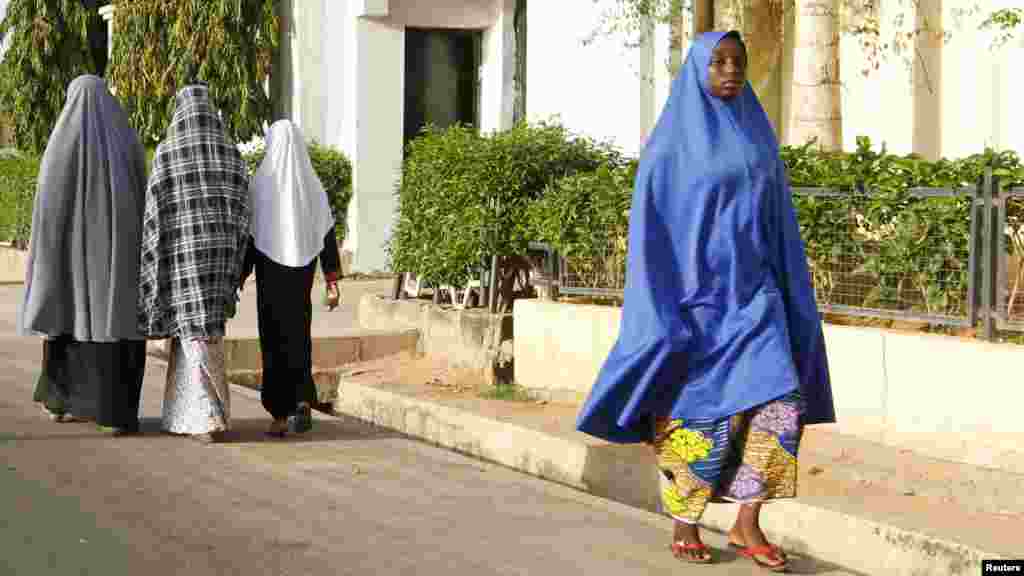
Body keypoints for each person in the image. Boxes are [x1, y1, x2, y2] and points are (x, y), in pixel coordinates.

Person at [575, 31, 835, 571]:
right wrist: (660, 306)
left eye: (737, 61)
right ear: (697, 69)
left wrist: (789, 295)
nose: (730, 70)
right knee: (697, 417)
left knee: (781, 403)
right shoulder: (669, 146)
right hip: (694, 302)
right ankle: (685, 522)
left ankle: (747, 522)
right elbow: (653, 232)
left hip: (756, 299)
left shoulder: (757, 134)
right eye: (717, 61)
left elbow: (777, 222)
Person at [21, 75, 148, 434]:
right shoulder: (127, 141)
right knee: (115, 330)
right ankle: (114, 414)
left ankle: (63, 402)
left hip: (69, 271)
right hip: (120, 269)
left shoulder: (60, 144)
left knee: (68, 325)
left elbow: (46, 214)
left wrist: (48, 263)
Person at [137, 82, 250, 444]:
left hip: (182, 259)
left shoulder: (168, 153)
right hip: (219, 261)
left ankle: (204, 417)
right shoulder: (231, 154)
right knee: (208, 335)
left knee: (190, 336)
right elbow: (244, 214)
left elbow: (154, 215)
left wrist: (153, 265)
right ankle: (203, 413)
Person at [241, 120, 342, 438]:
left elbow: (250, 235)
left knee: (273, 342)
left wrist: (240, 275)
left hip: (271, 277)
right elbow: (326, 234)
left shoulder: (260, 184)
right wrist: (331, 279)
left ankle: (280, 416)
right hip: (301, 275)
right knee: (299, 337)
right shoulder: (312, 184)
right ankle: (301, 400)